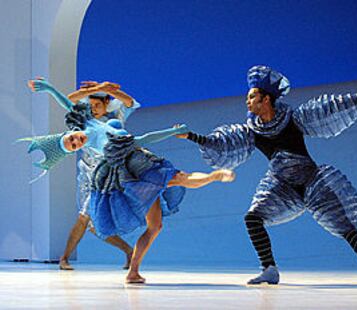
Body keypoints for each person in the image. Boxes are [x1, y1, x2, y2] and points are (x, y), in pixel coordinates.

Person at [176, 65, 357, 286]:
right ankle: (269, 269)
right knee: (253, 219)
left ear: (266, 100)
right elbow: (222, 143)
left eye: (252, 96)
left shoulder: (292, 119)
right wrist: (191, 136)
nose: (248, 101)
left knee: (345, 227)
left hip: (313, 182)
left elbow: (328, 109)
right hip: (282, 187)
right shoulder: (252, 130)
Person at [22, 79, 235, 284]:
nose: (77, 141)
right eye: (74, 146)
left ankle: (133, 272)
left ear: (71, 132)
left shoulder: (90, 122)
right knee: (177, 178)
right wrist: (171, 132)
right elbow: (141, 140)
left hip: (139, 165)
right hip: (137, 171)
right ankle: (215, 176)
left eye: (72, 139)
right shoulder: (105, 145)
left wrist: (49, 88)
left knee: (155, 226)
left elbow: (68, 102)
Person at [28, 78, 139, 270]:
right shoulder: (84, 120)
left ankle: (64, 258)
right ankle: (129, 251)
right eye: (91, 104)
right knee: (93, 226)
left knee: (84, 217)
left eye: (98, 104)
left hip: (105, 177)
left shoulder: (116, 120)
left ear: (107, 104)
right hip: (86, 174)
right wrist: (96, 89)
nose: (94, 108)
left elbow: (129, 102)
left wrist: (105, 89)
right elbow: (69, 101)